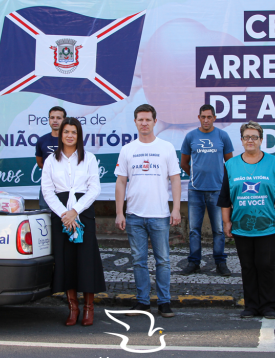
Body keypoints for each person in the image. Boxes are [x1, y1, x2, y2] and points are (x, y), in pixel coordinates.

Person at [218, 121, 275, 319]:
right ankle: (250, 305)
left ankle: (268, 306)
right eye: (246, 137)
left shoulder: (274, 163)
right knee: (247, 266)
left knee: (266, 266)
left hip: (267, 225)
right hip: (241, 226)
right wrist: (226, 222)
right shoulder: (231, 164)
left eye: (254, 137)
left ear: (261, 140)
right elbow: (225, 196)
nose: (250, 140)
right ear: (241, 140)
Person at [115, 104, 181, 318]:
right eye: (140, 119)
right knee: (138, 261)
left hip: (160, 215)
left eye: (148, 119)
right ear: (135, 122)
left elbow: (175, 180)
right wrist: (119, 212)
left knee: (163, 260)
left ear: (155, 121)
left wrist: (176, 209)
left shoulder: (166, 148)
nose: (144, 123)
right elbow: (121, 182)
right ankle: (142, 302)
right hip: (134, 215)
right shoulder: (127, 149)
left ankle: (164, 302)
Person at [41, 117, 105, 326]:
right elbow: (48, 191)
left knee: (85, 261)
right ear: (61, 135)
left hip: (83, 211)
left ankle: (88, 307)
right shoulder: (51, 160)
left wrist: (75, 211)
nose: (69, 135)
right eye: (66, 132)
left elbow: (95, 188)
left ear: (79, 135)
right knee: (66, 261)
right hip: (60, 213)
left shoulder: (89, 159)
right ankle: (72, 307)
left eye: (73, 132)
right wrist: (64, 214)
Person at [180, 104, 234, 276]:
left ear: (214, 118)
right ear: (199, 117)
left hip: (217, 191)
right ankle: (194, 262)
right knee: (194, 230)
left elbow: (230, 164)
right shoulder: (190, 136)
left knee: (218, 229)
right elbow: (184, 163)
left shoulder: (222, 136)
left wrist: (221, 181)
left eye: (209, 117)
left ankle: (220, 262)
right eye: (203, 117)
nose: (206, 120)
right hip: (195, 190)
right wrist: (195, 176)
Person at [36, 106, 66, 210]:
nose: (55, 120)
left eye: (58, 118)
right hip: (47, 184)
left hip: (65, 185)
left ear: (64, 120)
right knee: (45, 212)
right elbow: (39, 163)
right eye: (52, 117)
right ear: (48, 120)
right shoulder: (42, 140)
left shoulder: (70, 140)